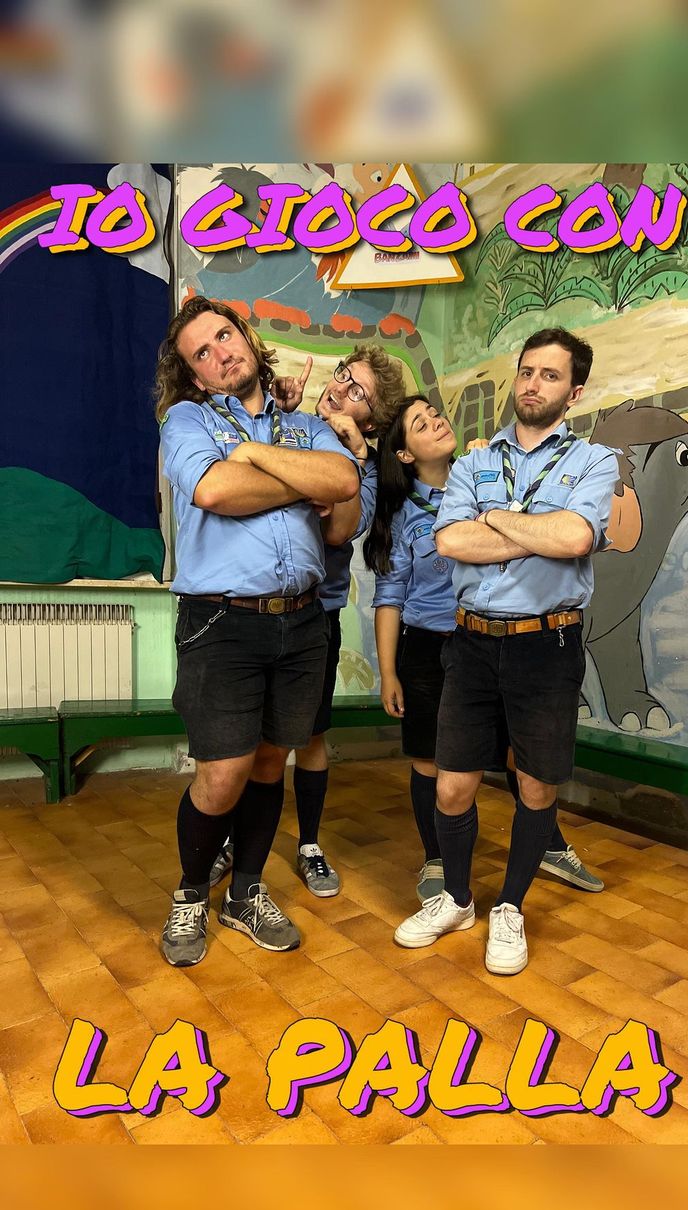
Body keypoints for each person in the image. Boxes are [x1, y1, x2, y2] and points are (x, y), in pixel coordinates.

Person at [393, 327, 619, 975]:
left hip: (546, 644)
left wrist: (492, 518)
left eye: (549, 375)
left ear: (573, 392)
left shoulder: (594, 463)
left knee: (536, 784)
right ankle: (459, 899)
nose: (532, 383)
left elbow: (576, 535)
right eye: (527, 371)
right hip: (471, 641)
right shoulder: (472, 462)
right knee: (454, 784)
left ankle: (510, 907)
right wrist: (534, 532)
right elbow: (450, 543)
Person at [155, 296, 359, 966]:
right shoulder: (185, 420)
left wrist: (255, 456)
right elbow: (214, 492)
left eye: (224, 335)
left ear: (245, 334)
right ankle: (190, 896)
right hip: (221, 621)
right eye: (202, 354)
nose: (221, 353)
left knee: (272, 761)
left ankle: (244, 892)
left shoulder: (305, 425)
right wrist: (300, 484)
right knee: (224, 772)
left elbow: (343, 481)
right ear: (193, 376)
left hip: (300, 622)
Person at [208, 344, 406, 898]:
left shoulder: (361, 468)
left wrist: (352, 456)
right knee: (245, 743)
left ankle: (310, 844)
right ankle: (229, 839)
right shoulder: (284, 421)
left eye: (358, 391)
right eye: (344, 376)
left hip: (314, 615)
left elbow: (337, 530)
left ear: (372, 418)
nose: (340, 389)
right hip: (249, 608)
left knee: (308, 738)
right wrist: (285, 417)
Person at [364, 394, 457, 902]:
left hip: (485, 642)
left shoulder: (480, 485)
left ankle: (547, 843)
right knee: (429, 760)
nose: (437, 422)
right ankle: (437, 858)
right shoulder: (401, 516)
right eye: (421, 424)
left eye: (435, 414)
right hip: (425, 650)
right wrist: (388, 672)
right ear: (404, 454)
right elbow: (389, 597)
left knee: (511, 752)